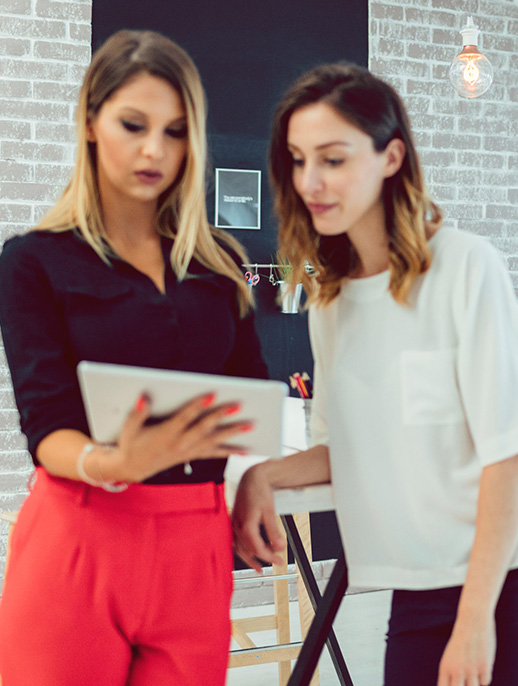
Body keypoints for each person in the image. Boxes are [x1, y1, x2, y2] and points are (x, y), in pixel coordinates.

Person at [231, 63, 518, 686]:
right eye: (297, 160)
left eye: (333, 158)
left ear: (391, 156)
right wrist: (261, 476)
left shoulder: (465, 266)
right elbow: (340, 449)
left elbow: (508, 454)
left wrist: (475, 618)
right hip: (422, 579)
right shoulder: (331, 302)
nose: (311, 181)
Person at [0, 31, 267, 686]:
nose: (155, 150)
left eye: (176, 131)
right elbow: (45, 424)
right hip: (80, 540)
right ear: (91, 123)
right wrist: (116, 463)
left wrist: (253, 482)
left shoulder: (221, 266)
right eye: (133, 124)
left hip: (197, 545)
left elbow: (248, 395)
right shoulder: (34, 261)